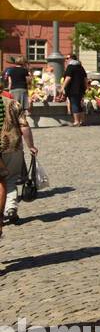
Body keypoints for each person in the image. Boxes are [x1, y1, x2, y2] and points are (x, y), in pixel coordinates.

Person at [0, 90, 36, 236]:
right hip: (12, 147)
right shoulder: (13, 104)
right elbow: (24, 126)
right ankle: (10, 208)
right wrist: (31, 146)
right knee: (11, 178)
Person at [61, 56, 87, 127]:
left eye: (67, 58)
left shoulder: (70, 67)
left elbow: (68, 78)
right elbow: (85, 78)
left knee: (74, 104)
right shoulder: (80, 67)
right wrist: (86, 87)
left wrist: (62, 87)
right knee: (79, 104)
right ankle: (82, 121)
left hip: (72, 89)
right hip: (81, 89)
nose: (66, 60)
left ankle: (76, 121)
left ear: (71, 59)